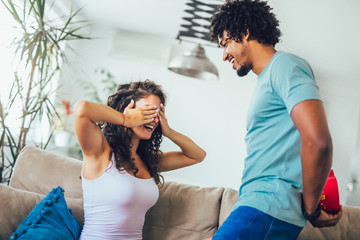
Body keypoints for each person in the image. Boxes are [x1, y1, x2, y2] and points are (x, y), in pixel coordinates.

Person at [208, 0, 342, 239]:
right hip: (258, 206)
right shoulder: (268, 77)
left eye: (226, 43)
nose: (224, 55)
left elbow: (318, 142)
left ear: (245, 32)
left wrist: (311, 210)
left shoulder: (285, 66)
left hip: (267, 206)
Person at [74, 80, 206, 239]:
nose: (154, 119)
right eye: (147, 111)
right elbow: (82, 109)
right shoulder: (100, 153)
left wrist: (169, 131)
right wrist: (125, 119)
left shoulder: (149, 160)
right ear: (128, 110)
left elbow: (197, 155)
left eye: (158, 113)